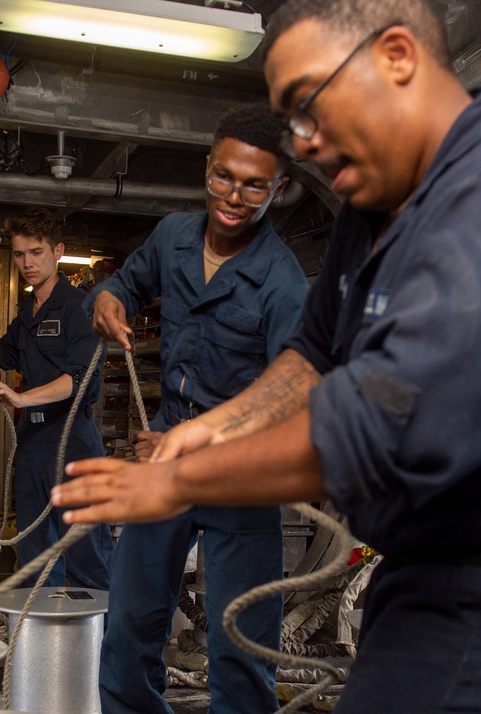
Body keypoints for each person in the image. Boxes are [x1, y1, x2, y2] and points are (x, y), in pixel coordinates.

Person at [53, 1, 481, 712]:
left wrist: (183, 481)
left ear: (396, 57)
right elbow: (314, 352)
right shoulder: (375, 210)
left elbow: (386, 428)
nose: (305, 144)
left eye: (309, 108)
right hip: (424, 578)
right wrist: (218, 425)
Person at [84, 103, 309, 714]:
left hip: (243, 477)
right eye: (224, 177)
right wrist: (107, 299)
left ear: (279, 188)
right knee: (129, 624)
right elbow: (124, 284)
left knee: (240, 643)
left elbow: (290, 402)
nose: (235, 196)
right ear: (208, 167)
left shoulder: (284, 285)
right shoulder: (173, 236)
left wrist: (199, 443)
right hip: (164, 459)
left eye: (255, 185)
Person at [0, 208, 114, 590]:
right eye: (19, 254)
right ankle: (41, 645)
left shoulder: (81, 308)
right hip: (32, 444)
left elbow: (76, 381)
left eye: (36, 252)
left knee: (85, 552)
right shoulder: (27, 311)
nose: (27, 263)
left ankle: (100, 646)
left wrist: (19, 397)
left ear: (57, 251)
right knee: (33, 554)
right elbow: (0, 355)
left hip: (72, 440)